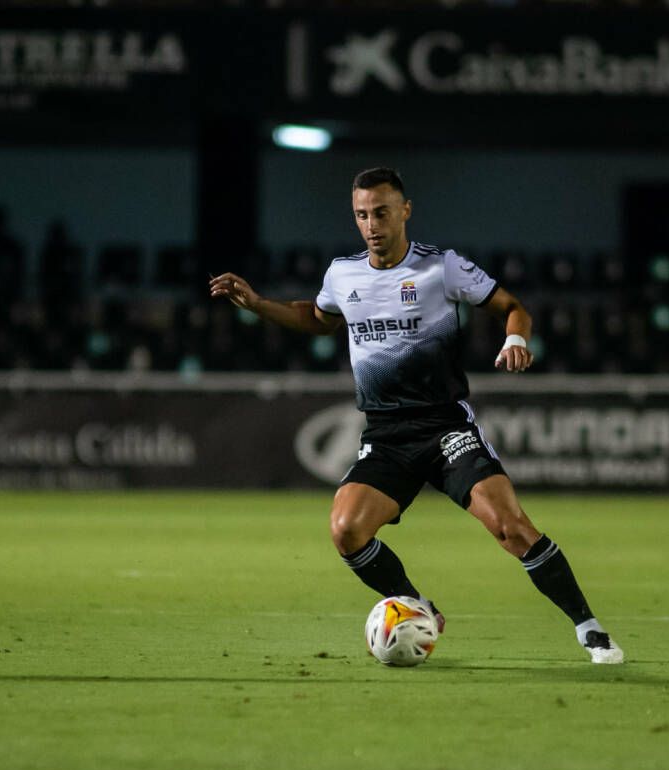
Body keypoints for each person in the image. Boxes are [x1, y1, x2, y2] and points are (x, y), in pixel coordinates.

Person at [209, 167, 623, 664]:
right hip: (386, 435)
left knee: (510, 527)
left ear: (405, 211)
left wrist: (515, 337)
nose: (371, 225)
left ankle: (589, 627)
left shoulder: (441, 267)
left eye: (381, 212)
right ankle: (416, 605)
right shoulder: (343, 274)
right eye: (362, 215)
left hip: (446, 427)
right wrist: (256, 303)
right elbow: (318, 318)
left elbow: (512, 306)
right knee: (346, 530)